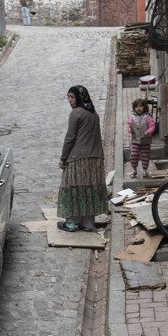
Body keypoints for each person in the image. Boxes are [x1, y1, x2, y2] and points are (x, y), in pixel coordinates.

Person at [57, 85, 109, 232]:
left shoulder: (76, 114)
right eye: (68, 97)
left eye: (72, 97)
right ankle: (88, 223)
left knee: (73, 187)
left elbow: (70, 138)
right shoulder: (94, 114)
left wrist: (63, 158)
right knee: (88, 189)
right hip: (95, 159)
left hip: (78, 158)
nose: (69, 100)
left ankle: (72, 222)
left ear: (79, 98)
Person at [127, 98, 155, 178]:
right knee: (133, 155)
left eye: (140, 106)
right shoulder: (132, 117)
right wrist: (130, 129)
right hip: (135, 140)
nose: (138, 108)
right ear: (134, 108)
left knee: (145, 156)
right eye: (136, 106)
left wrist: (148, 132)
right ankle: (134, 170)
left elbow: (152, 126)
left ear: (144, 107)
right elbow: (129, 126)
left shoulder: (148, 116)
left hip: (146, 140)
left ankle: (145, 171)